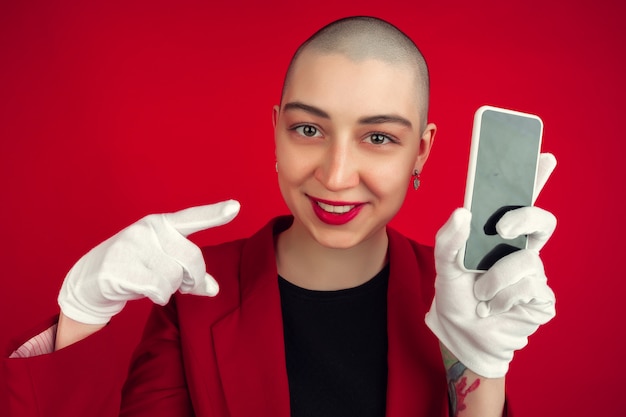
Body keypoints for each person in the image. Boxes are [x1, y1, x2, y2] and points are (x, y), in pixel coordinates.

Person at [1, 16, 557, 417]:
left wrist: (480, 367)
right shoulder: (192, 298)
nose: (336, 175)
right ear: (276, 130)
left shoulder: (467, 298)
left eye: (379, 137)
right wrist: (79, 317)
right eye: (308, 130)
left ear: (423, 151)